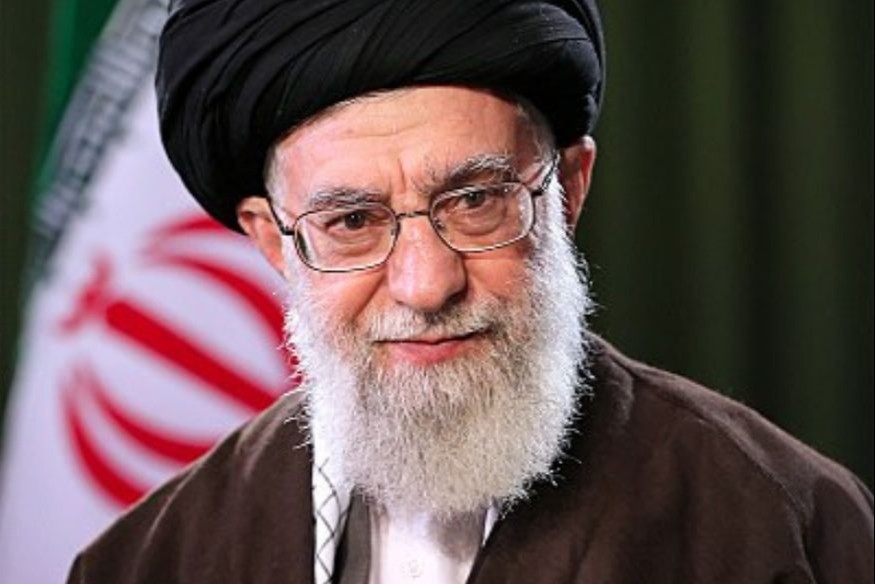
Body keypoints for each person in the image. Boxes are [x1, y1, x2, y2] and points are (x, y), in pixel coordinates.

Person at [68, 1, 873, 583]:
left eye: (476, 200)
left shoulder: (785, 527)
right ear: (273, 240)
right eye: (352, 221)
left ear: (567, 189)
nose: (425, 285)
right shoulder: (146, 562)